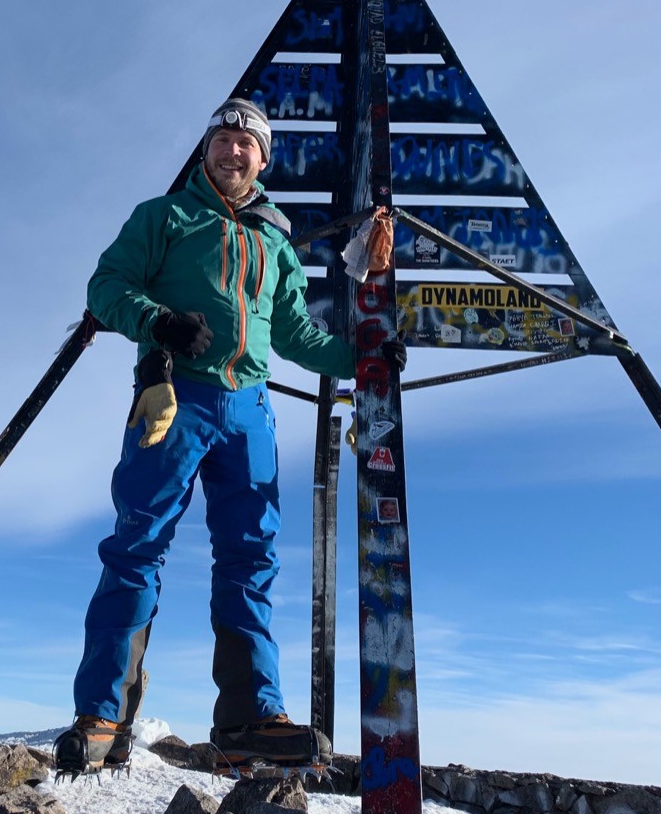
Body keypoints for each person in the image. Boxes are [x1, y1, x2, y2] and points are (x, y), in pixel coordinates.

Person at [53, 98, 406, 777]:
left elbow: (296, 335)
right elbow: (106, 288)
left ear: (262, 160)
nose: (232, 150)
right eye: (222, 138)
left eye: (246, 143)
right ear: (206, 149)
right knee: (136, 546)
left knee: (250, 558)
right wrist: (156, 322)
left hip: (249, 407)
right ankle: (100, 716)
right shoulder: (162, 216)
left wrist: (362, 359)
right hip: (173, 394)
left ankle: (247, 720)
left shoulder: (274, 240)